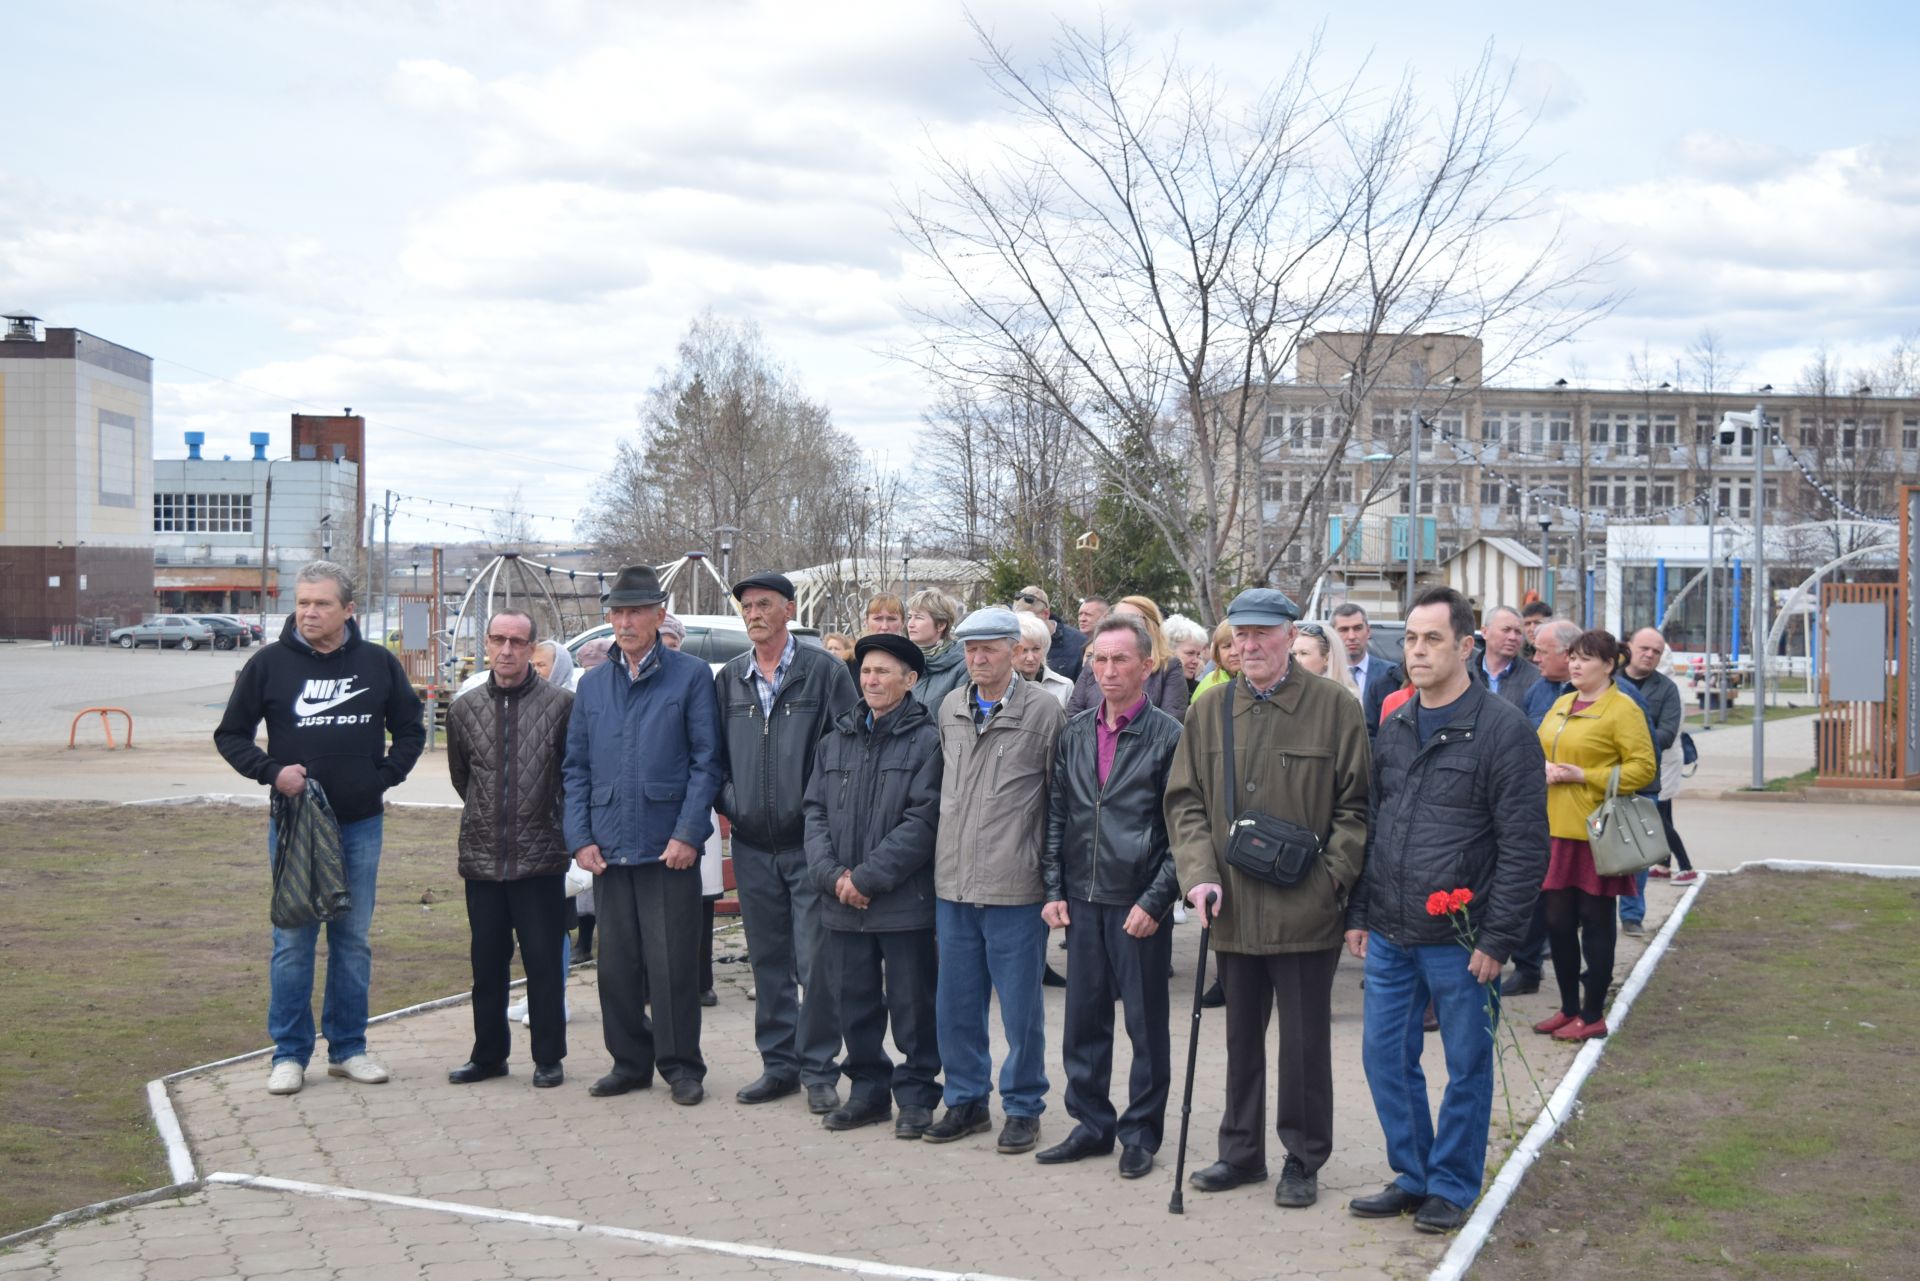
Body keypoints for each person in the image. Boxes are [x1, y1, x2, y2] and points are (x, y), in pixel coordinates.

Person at [1344, 588, 1548, 1234]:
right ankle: (1413, 1173)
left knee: (1466, 1063)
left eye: (1431, 638)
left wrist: (1499, 936)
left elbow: (1525, 845)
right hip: (1392, 931)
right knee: (1384, 1055)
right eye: (1409, 638)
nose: (1417, 650)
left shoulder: (1503, 731)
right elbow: (1374, 823)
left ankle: (1453, 1184)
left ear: (1467, 645)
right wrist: (1359, 911)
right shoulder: (1396, 724)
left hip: (1461, 938)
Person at [1167, 588, 1370, 1210]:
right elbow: (1185, 801)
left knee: (1304, 1043)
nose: (1248, 646)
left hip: (1305, 909)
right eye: (1239, 636)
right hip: (1229, 905)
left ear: (1289, 636)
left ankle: (1303, 1158)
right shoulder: (1210, 709)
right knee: (1239, 1039)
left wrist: (1330, 879)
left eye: (1262, 634)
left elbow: (1356, 808)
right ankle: (1240, 1153)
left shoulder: (1335, 707)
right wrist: (1198, 875)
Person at [215, 560, 425, 1096]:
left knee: (352, 940)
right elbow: (231, 735)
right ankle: (288, 1054)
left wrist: (382, 777)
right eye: (303, 602)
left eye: (322, 603)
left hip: (360, 824)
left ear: (348, 610)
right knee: (292, 940)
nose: (309, 612)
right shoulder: (269, 665)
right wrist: (271, 772)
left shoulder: (378, 664)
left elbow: (410, 729)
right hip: (296, 826)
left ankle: (349, 1048)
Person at [564, 564, 723, 1106]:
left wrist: (687, 833)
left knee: (673, 963)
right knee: (617, 966)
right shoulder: (593, 684)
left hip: (667, 847)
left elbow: (707, 763)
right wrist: (579, 836)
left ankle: (681, 1066)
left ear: (659, 616)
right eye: (617, 613)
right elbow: (576, 767)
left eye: (636, 612)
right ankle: (629, 1062)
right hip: (609, 846)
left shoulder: (691, 675)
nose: (626, 622)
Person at [1038, 614, 1183, 1180]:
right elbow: (1057, 816)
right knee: (1084, 1021)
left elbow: (1183, 832)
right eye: (1100, 658)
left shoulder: (1171, 736)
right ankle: (1091, 1124)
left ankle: (1141, 1132)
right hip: (1082, 899)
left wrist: (1156, 900)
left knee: (1145, 1027)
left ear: (1147, 666)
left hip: (1138, 903)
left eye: (1121, 659)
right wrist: (1053, 889)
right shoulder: (1074, 732)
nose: (1108, 669)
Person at [923, 607, 1067, 1154]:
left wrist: (1053, 884)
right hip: (954, 884)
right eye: (969, 649)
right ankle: (964, 1100)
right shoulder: (951, 707)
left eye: (989, 648)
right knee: (956, 1003)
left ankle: (1024, 1105)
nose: (977, 658)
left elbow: (1060, 804)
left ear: (1014, 649)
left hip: (1015, 885)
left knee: (1020, 1009)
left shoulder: (1044, 712)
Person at [714, 571, 859, 1114]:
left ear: (789, 610)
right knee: (768, 959)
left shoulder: (824, 672)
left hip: (809, 845)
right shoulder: (729, 679)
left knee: (816, 961)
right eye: (747, 606)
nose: (753, 613)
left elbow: (845, 752)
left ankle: (820, 1068)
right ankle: (778, 1065)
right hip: (752, 843)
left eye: (764, 604)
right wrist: (733, 801)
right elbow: (715, 758)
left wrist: (819, 816)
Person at [803, 633, 944, 1138]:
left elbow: (923, 821)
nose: (872, 680)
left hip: (901, 901)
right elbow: (814, 813)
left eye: (884, 672)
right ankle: (867, 1092)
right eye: (866, 671)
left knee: (912, 1005)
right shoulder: (835, 739)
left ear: (910, 681)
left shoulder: (928, 740)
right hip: (842, 900)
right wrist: (833, 876)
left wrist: (865, 878)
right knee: (854, 1002)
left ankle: (916, 1096)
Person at [446, 610, 574, 1090]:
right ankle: (488, 1055)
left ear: (531, 648)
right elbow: (465, 777)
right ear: (486, 643)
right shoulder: (464, 708)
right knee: (486, 965)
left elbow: (570, 775)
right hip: (482, 856)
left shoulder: (562, 705)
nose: (506, 650)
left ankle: (548, 1056)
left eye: (517, 642)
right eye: (498, 639)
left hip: (539, 855)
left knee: (542, 963)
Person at [1533, 629, 1657, 1042]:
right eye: (1572, 657)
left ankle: (1592, 1013)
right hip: (1555, 829)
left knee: (1596, 921)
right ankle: (1568, 1007)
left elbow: (1643, 769)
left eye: (1585, 659)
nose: (1575, 665)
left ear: (1609, 665)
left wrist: (1584, 775)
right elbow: (1540, 748)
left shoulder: (1623, 709)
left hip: (1597, 833)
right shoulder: (1563, 702)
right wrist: (1545, 768)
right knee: (1557, 922)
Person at [1621, 627, 1697, 886]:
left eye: (1657, 652)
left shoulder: (1667, 689)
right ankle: (1664, 866)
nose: (1650, 655)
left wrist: (1624, 743)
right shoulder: (1611, 679)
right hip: (1617, 770)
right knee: (1662, 816)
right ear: (1628, 647)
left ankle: (1685, 866)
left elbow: (1666, 734)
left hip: (1658, 766)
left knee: (1655, 819)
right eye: (1644, 648)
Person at [1065, 596, 1189, 723]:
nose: (1123, 624)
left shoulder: (1169, 666)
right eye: (1117, 619)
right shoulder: (1094, 663)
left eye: (1131, 619)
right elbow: (1074, 714)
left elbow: (1171, 722)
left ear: (1151, 625)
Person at [1332, 603, 1403, 736]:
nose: (1352, 636)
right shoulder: (1324, 675)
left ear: (1368, 631)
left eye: (1357, 628)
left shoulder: (1391, 674)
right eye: (1344, 629)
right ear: (1333, 634)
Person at [905, 587, 969, 712]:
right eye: (909, 617)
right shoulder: (901, 659)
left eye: (918, 617)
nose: (910, 624)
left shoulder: (962, 665)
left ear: (941, 625)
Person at [1014, 584, 1088, 684]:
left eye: (1030, 618)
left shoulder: (1078, 643)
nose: (1023, 624)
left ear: (1046, 614)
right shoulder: (1012, 640)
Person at [1473, 606, 1540, 710]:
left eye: (1518, 632)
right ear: (1485, 632)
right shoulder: (1464, 673)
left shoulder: (1535, 679)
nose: (1512, 637)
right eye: (1506, 630)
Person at [1014, 612, 1075, 706]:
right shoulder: (998, 686)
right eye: (1024, 650)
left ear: (1045, 648)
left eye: (1036, 649)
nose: (1030, 658)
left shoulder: (1064, 686)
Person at [1290, 622, 1361, 701]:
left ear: (1327, 659)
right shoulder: (1289, 693)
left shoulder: (1346, 698)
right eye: (1294, 654)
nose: (1296, 660)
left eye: (1304, 653)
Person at [1164, 614, 1211, 697]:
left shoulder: (1201, 692)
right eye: (1190, 653)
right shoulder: (1149, 688)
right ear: (1169, 650)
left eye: (1198, 655)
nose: (1196, 661)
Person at [1191, 620, 1238, 704]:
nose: (1233, 652)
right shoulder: (1208, 686)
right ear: (1217, 652)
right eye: (1226, 646)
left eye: (1238, 644)